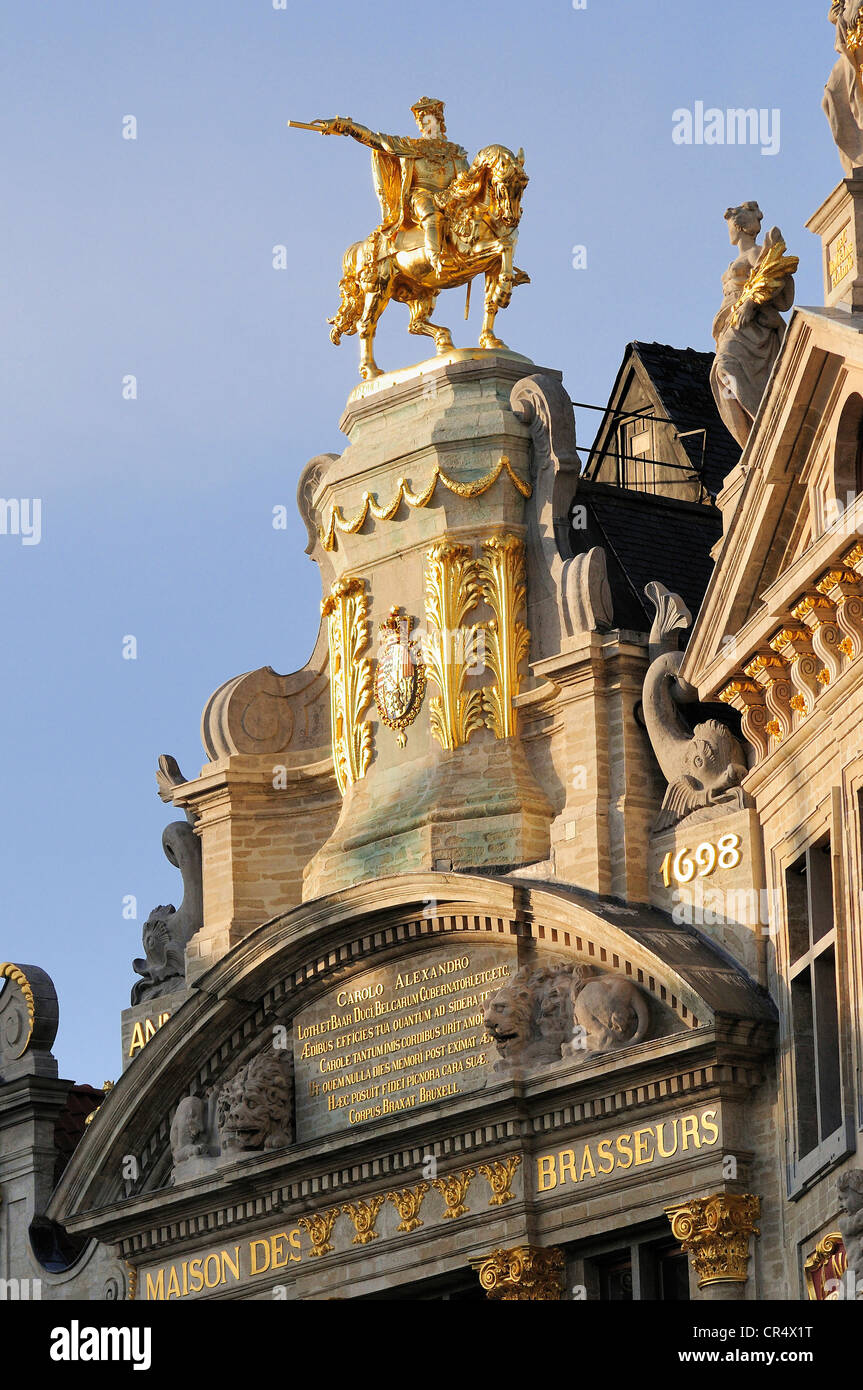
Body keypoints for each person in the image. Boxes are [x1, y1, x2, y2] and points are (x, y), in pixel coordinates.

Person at [319, 98, 469, 276]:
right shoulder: (411, 147)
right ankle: (436, 257)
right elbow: (375, 139)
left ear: (438, 121)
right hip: (420, 196)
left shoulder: (455, 152)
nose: (423, 126)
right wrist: (347, 127)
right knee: (430, 215)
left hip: (449, 199)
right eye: (420, 122)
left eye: (427, 120)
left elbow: (466, 180)